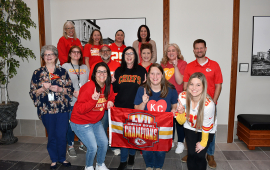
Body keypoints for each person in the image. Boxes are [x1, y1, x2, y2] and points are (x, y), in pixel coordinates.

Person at [29, 45, 74, 169]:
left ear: (55, 56)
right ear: (43, 57)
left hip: (62, 109)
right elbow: (32, 92)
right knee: (52, 135)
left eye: (51, 54)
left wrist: (60, 89)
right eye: (46, 54)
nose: (49, 57)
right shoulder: (37, 73)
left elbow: (70, 90)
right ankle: (54, 159)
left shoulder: (62, 72)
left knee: (61, 134)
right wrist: (42, 88)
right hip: (46, 109)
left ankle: (62, 158)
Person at [182, 39, 223, 169]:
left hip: (208, 105)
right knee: (191, 128)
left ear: (205, 49)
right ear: (194, 50)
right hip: (192, 104)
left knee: (208, 129)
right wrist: (185, 104)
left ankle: (209, 154)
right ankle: (192, 153)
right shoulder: (189, 66)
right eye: (197, 48)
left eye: (201, 48)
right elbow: (185, 85)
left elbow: (218, 85)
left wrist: (214, 102)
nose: (199, 50)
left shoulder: (215, 65)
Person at [70, 62, 115, 170]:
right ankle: (89, 167)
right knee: (92, 147)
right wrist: (93, 100)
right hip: (80, 122)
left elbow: (110, 99)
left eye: (104, 71)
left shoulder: (109, 86)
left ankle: (100, 164)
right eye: (99, 71)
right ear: (94, 74)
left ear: (108, 74)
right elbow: (80, 109)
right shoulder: (89, 87)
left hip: (95, 121)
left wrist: (110, 102)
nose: (102, 74)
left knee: (104, 143)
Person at [134, 63, 178, 170]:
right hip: (146, 127)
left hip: (163, 127)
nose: (155, 77)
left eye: (158, 74)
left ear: (162, 75)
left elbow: (174, 104)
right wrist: (143, 103)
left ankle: (158, 166)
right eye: (152, 74)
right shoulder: (141, 89)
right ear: (148, 75)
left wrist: (173, 110)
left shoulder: (171, 89)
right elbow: (136, 109)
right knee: (146, 149)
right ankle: (149, 165)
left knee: (161, 150)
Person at [113, 46, 147, 170]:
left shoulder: (142, 70)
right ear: (123, 56)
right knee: (123, 136)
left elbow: (145, 88)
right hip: (121, 107)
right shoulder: (118, 70)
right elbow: (116, 89)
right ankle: (123, 160)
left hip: (135, 107)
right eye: (126, 53)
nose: (129, 55)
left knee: (133, 133)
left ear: (135, 56)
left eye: (131, 53)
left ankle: (132, 154)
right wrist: (113, 82)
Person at [176, 72, 216, 170]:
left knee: (200, 156)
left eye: (198, 85)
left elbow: (207, 127)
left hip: (206, 130)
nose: (194, 88)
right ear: (188, 85)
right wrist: (180, 112)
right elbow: (180, 122)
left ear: (203, 86)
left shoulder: (209, 105)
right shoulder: (182, 97)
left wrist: (203, 143)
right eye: (191, 84)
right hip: (190, 127)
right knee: (191, 154)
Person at [89, 44, 121, 155]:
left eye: (107, 50)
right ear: (100, 53)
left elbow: (120, 82)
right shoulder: (94, 65)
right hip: (100, 101)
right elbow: (91, 83)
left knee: (114, 125)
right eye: (103, 50)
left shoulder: (117, 65)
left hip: (115, 99)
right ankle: (104, 146)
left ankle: (114, 146)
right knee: (102, 125)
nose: (105, 52)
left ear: (111, 52)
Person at [62, 46, 90, 157]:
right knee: (71, 125)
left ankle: (82, 143)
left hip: (83, 102)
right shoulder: (65, 66)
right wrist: (72, 91)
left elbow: (88, 83)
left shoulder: (84, 67)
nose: (76, 54)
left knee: (83, 123)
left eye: (78, 52)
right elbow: (61, 83)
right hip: (71, 101)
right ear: (69, 54)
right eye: (74, 52)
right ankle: (71, 146)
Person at [161, 43, 187, 154]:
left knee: (179, 121)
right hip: (166, 96)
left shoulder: (183, 63)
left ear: (177, 52)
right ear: (166, 54)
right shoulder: (163, 64)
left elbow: (180, 81)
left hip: (179, 96)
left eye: (173, 50)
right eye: (169, 51)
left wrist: (175, 66)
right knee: (169, 120)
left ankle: (180, 142)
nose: (171, 52)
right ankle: (170, 140)